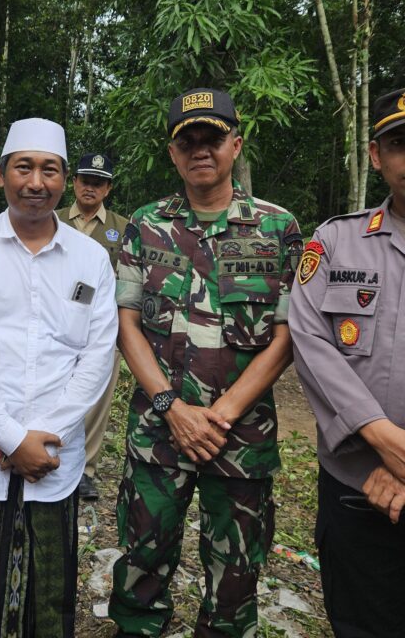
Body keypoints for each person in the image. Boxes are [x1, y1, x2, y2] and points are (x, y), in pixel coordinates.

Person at [110, 89, 301, 637]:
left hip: (239, 438)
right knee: (143, 559)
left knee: (236, 571)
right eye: (186, 140)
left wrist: (220, 415)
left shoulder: (277, 227)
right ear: (172, 154)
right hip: (158, 433)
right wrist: (173, 409)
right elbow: (127, 326)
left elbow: (286, 336)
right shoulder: (145, 225)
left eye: (212, 138)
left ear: (235, 145)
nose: (200, 150)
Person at [0, 118, 117, 637]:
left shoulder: (91, 259)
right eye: (24, 167)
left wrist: (42, 438)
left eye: (50, 170)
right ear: (1, 176)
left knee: (47, 596)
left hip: (56, 457)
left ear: (63, 180)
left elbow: (97, 355)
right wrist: (12, 437)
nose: (36, 182)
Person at [288, 88, 405, 638]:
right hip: (358, 487)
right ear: (377, 155)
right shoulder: (335, 242)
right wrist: (383, 439)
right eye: (400, 144)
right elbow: (310, 339)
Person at [57, 152, 128, 500]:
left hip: (101, 326)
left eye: (98, 182)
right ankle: (47, 451)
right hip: (53, 325)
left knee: (96, 399)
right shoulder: (51, 219)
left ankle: (85, 469)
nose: (90, 187)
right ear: (74, 182)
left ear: (108, 188)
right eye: (85, 180)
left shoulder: (123, 227)